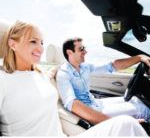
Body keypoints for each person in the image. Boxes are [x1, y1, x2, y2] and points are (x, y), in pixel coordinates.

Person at [0, 21, 148, 137]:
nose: (41, 48)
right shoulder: (3, 80)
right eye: (33, 41)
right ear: (13, 44)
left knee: (128, 124)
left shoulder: (41, 74)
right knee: (129, 123)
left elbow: (51, 71)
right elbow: (72, 102)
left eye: (42, 42)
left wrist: (139, 58)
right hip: (83, 115)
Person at [56, 37, 150, 125]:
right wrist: (114, 122)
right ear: (69, 52)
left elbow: (111, 66)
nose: (85, 51)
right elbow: (72, 104)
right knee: (143, 110)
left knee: (135, 100)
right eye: (81, 49)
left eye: (84, 48)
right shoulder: (63, 73)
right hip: (88, 111)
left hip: (94, 102)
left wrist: (139, 58)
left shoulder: (84, 66)